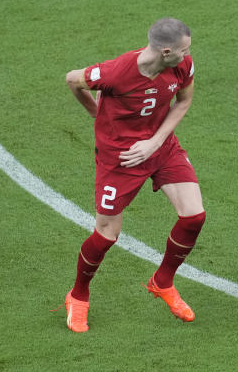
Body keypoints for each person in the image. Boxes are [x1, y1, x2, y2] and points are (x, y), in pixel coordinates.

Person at [62, 18, 206, 332]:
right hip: (120, 159)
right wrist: (95, 114)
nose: (188, 54)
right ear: (166, 51)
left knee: (194, 215)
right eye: (183, 49)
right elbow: (72, 79)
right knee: (106, 234)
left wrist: (154, 142)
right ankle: (78, 295)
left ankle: (162, 281)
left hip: (162, 147)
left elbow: (183, 102)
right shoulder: (116, 73)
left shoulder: (182, 66)